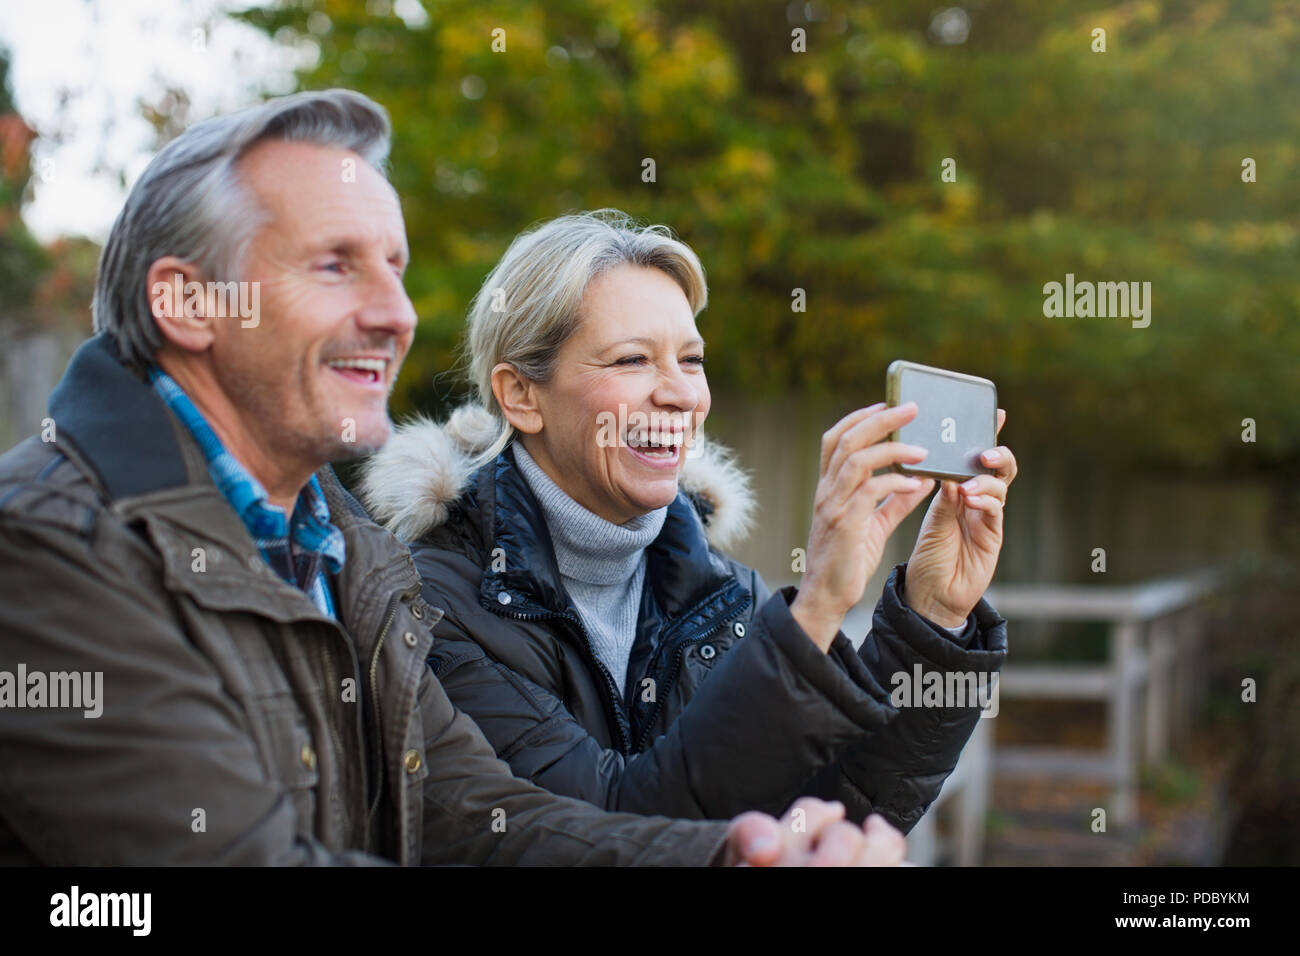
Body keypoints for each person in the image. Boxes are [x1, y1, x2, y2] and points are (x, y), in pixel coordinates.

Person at [0, 90, 905, 866]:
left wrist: (722, 856)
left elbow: (477, 822)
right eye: (335, 265)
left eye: (394, 268)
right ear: (188, 302)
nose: (395, 313)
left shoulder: (345, 552)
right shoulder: (47, 548)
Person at [359, 210, 1016, 828]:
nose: (681, 393)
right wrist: (816, 608)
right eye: (632, 359)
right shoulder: (430, 609)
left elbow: (831, 812)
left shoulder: (728, 597)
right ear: (522, 396)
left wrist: (932, 615)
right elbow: (618, 823)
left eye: (692, 359)